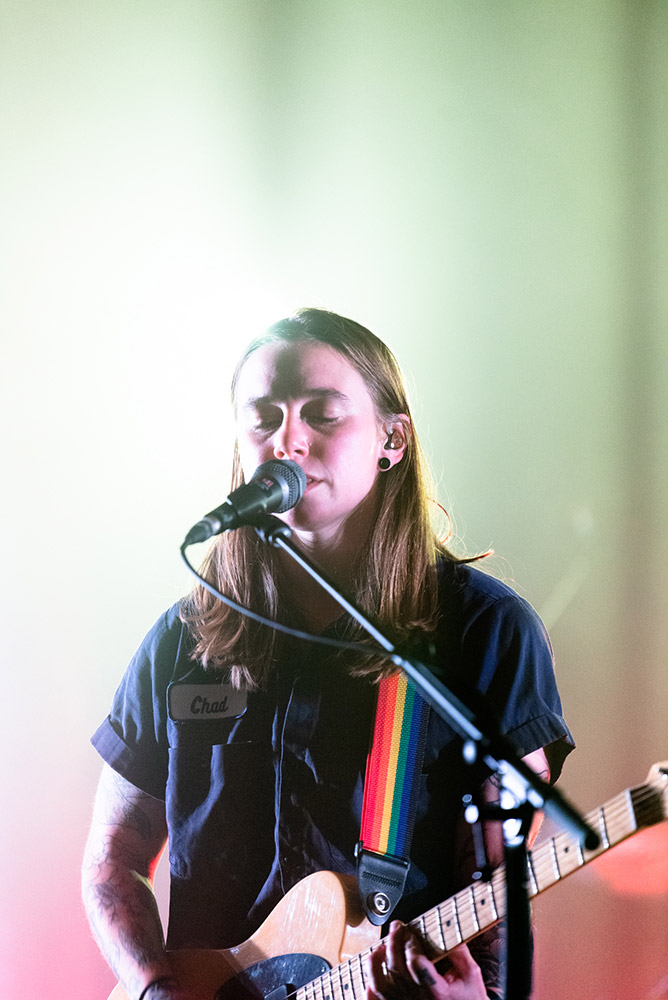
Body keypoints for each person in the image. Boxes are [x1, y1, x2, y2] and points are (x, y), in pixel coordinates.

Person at [82, 308, 574, 1000]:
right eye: (264, 418)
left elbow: (497, 887)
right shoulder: (182, 639)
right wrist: (152, 985)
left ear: (391, 438)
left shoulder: (487, 633)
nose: (288, 439)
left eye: (322, 414)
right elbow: (113, 856)